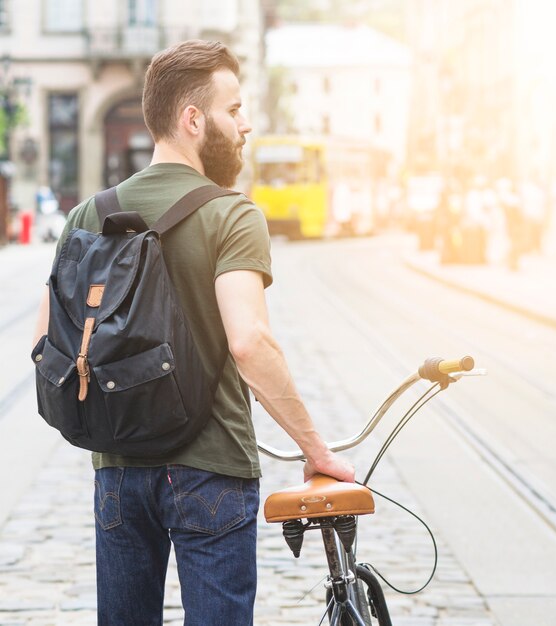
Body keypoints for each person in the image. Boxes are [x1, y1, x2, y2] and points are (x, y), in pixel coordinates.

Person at [32, 39, 354, 626]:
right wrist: (316, 451)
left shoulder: (88, 216)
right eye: (234, 111)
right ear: (192, 119)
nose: (246, 124)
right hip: (213, 470)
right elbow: (249, 341)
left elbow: (46, 343)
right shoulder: (233, 214)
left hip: (118, 469)